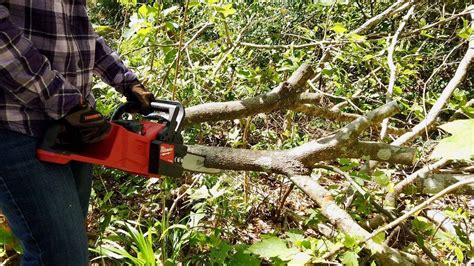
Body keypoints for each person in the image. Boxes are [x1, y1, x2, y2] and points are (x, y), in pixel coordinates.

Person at [0, 1, 154, 264]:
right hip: (18, 124)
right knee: (60, 258)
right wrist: (66, 102)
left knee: (71, 251)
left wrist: (126, 80)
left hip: (73, 129)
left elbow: (80, 32)